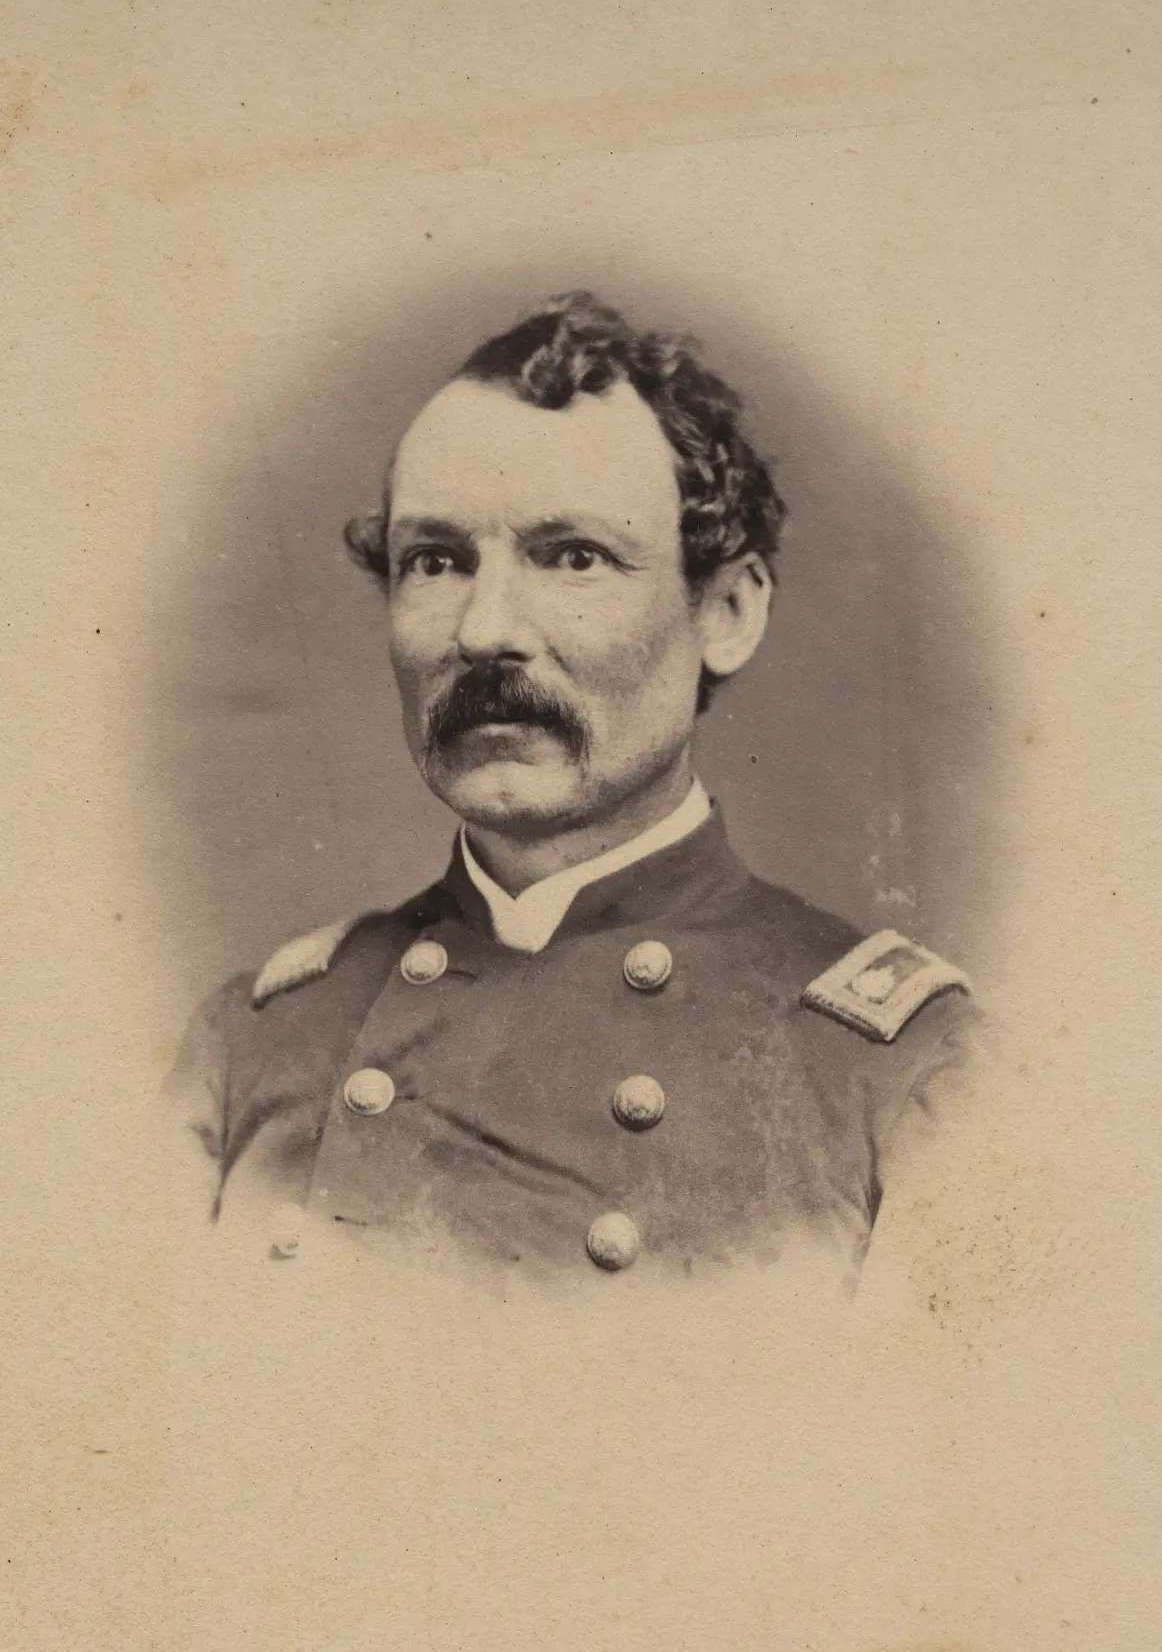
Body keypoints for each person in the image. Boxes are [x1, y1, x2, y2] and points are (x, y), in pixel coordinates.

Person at [165, 291, 978, 1286]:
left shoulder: (908, 1075)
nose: (483, 630)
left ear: (726, 610)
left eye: (574, 557)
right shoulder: (248, 1047)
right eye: (435, 560)